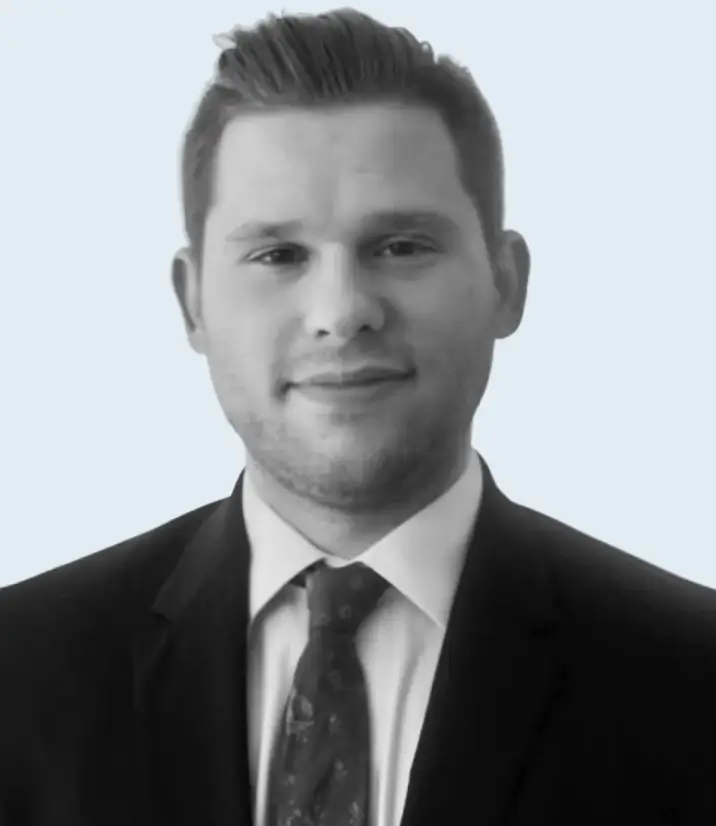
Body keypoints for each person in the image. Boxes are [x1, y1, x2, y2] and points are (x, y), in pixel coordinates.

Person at [1, 7, 715, 826]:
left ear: (505, 283)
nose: (341, 311)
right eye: (278, 254)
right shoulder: (18, 676)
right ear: (192, 303)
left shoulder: (694, 681)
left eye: (401, 246)